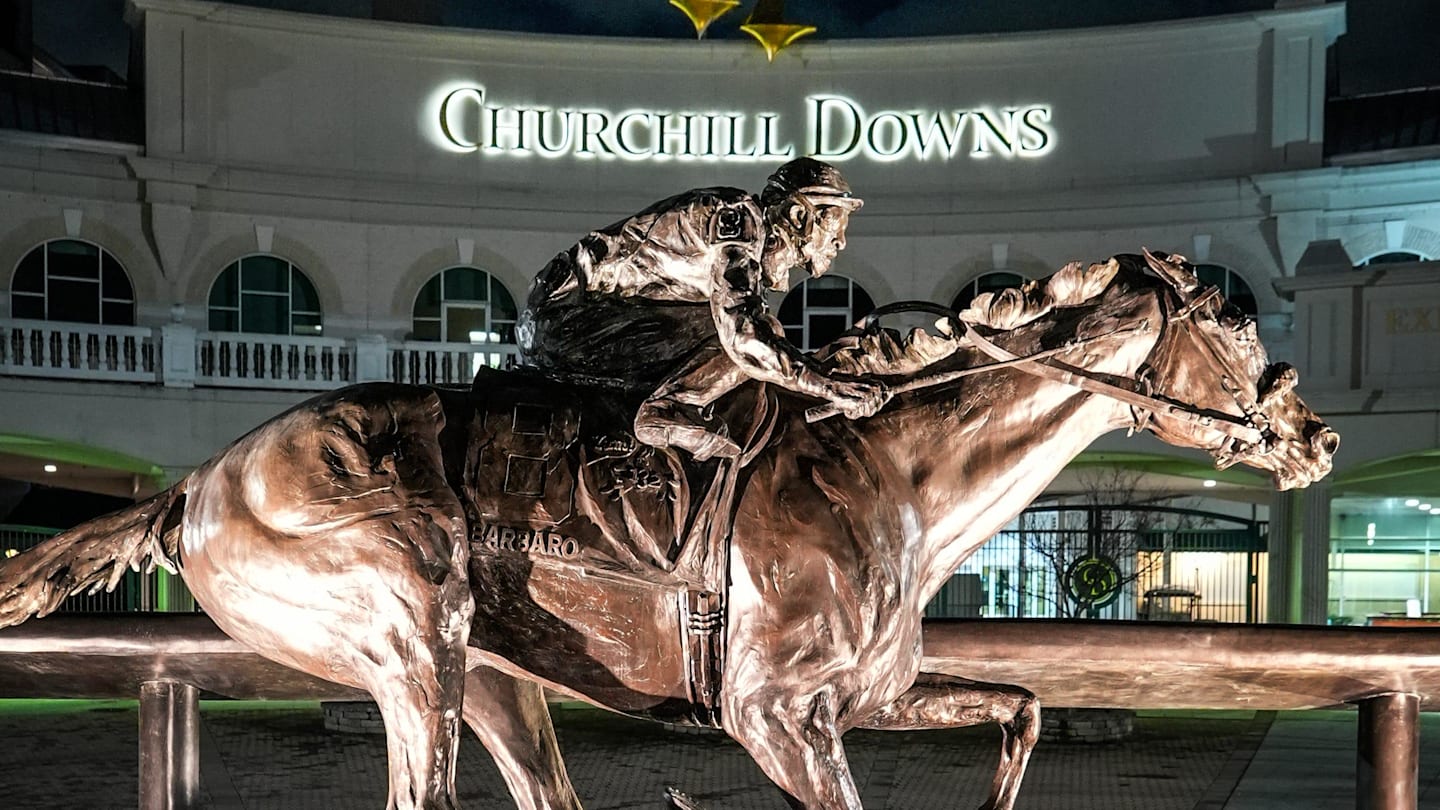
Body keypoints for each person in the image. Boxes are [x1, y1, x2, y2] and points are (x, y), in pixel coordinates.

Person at [516, 157, 887, 460]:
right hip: (562, 320)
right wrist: (827, 386)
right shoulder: (738, 223)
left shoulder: (746, 234)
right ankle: (666, 410)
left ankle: (671, 407)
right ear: (798, 216)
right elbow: (744, 336)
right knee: (758, 334)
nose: (840, 242)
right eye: (835, 226)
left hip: (586, 318)